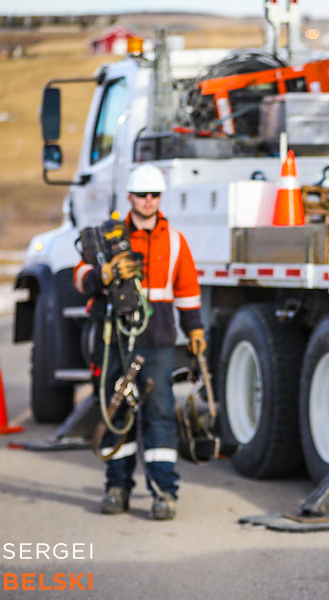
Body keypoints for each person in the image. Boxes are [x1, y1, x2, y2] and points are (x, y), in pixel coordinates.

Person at [73, 163, 206, 520]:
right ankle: (117, 488)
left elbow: (187, 290)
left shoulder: (174, 241)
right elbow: (80, 276)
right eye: (142, 195)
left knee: (159, 415)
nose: (148, 200)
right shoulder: (108, 238)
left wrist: (195, 330)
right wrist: (104, 273)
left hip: (156, 341)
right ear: (129, 197)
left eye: (154, 195)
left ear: (160, 198)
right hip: (114, 340)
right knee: (116, 412)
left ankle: (164, 493)